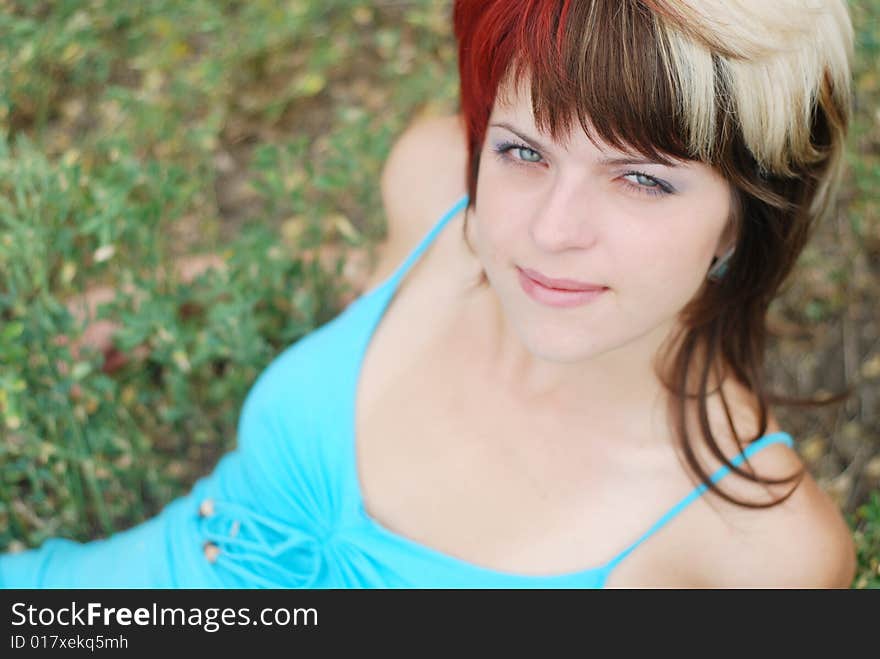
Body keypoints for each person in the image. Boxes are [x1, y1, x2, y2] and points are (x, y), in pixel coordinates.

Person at [0, 0, 858, 588]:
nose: (549, 230)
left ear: (747, 215)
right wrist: (143, 306)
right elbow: (366, 280)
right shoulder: (433, 192)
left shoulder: (765, 547)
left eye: (639, 178)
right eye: (524, 151)